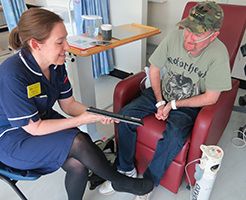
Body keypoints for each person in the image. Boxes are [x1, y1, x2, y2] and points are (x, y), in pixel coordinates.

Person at [0, 8, 154, 200]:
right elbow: (34, 128)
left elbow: (69, 105)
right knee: (78, 141)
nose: (67, 46)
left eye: (65, 39)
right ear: (36, 44)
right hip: (9, 137)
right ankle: (118, 180)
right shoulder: (12, 74)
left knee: (79, 162)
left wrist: (96, 113)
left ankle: (108, 182)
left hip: (39, 119)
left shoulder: (56, 64)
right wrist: (82, 119)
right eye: (60, 42)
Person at [99, 1, 232, 199]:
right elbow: (154, 68)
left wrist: (174, 105)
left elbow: (211, 97)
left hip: (189, 105)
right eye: (188, 30)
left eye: (197, 34)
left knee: (174, 136)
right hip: (161, 93)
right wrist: (161, 101)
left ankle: (147, 184)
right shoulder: (175, 36)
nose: (188, 38)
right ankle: (125, 171)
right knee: (125, 116)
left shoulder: (218, 55)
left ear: (214, 35)